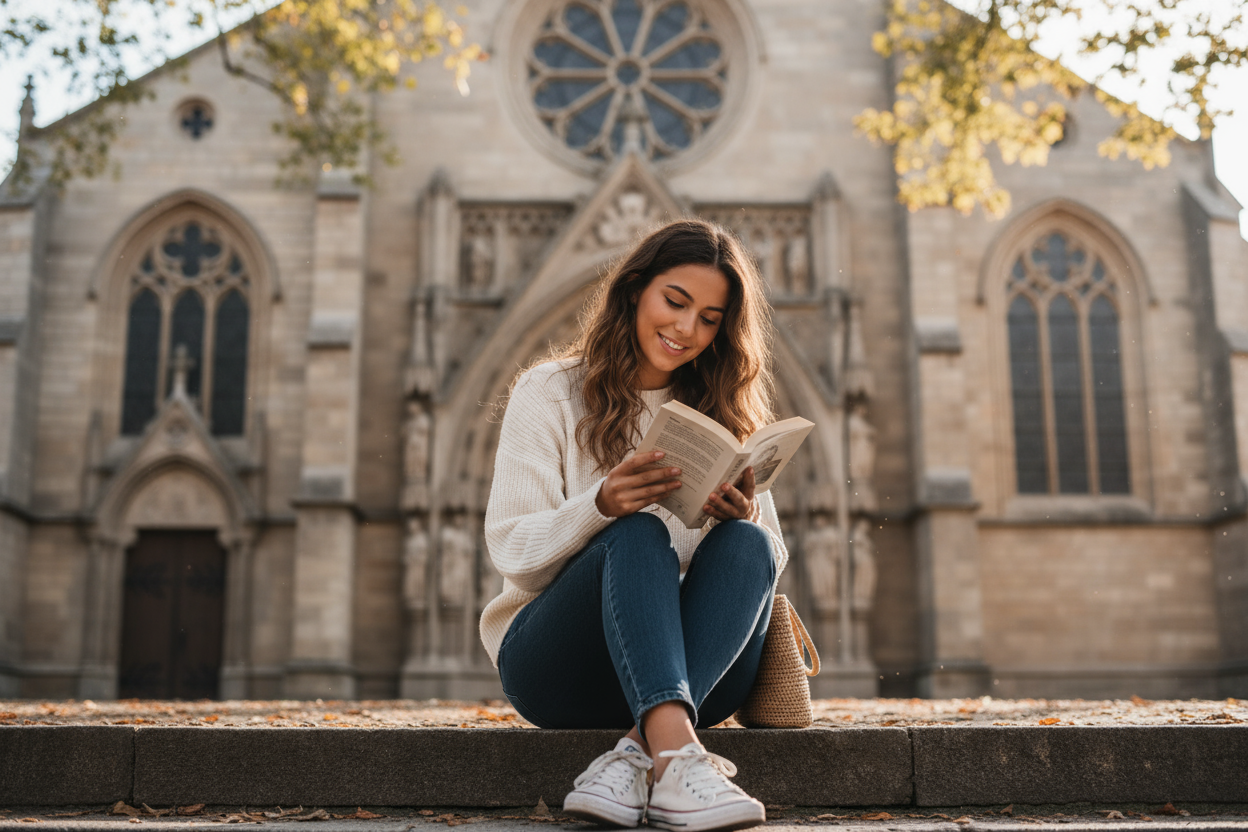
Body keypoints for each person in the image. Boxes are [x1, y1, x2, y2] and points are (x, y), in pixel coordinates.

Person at [479, 220, 787, 832]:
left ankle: (636, 755)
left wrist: (742, 516)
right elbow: (513, 549)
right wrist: (600, 505)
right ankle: (675, 758)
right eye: (675, 302)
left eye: (709, 318)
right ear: (635, 290)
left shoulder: (723, 413)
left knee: (751, 541)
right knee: (636, 532)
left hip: (702, 673)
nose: (685, 329)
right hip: (558, 668)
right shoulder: (548, 393)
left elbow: (767, 563)